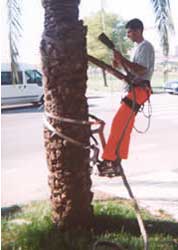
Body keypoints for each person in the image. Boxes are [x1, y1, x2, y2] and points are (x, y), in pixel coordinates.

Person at [97, 18, 155, 177]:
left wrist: (123, 60)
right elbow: (128, 68)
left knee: (118, 123)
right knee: (125, 127)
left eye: (129, 32)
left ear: (138, 31)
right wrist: (118, 60)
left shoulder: (146, 47)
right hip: (135, 90)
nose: (128, 35)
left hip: (140, 90)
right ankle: (117, 164)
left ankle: (109, 160)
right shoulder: (136, 49)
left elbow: (142, 70)